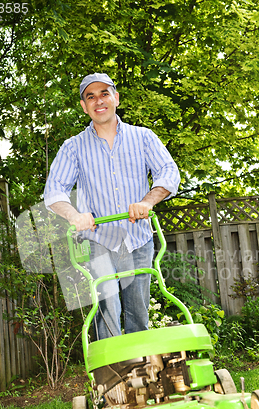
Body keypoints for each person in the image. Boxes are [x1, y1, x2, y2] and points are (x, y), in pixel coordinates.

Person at [44, 73, 180, 340]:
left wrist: (147, 201)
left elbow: (169, 172)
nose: (98, 101)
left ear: (115, 98)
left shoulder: (143, 137)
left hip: (138, 239)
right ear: (84, 106)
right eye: (90, 97)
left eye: (104, 93)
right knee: (107, 308)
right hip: (99, 241)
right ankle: (112, 375)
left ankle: (140, 371)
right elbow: (53, 191)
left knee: (138, 313)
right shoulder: (73, 148)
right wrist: (74, 216)